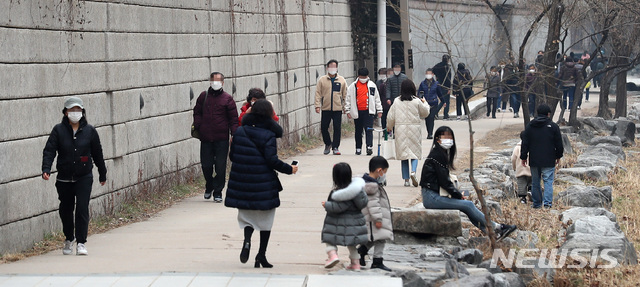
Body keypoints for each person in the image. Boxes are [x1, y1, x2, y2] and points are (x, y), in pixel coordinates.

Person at [225, 99, 298, 268]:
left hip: (242, 182)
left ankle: (247, 241)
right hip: (263, 183)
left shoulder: (240, 131)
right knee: (265, 221)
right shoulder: (268, 134)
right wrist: (290, 169)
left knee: (248, 218)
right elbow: (272, 160)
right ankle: (261, 256)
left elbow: (233, 157)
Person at [420, 126, 517, 239]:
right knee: (468, 205)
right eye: (444, 136)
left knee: (467, 208)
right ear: (437, 139)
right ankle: (497, 228)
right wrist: (458, 195)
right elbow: (444, 182)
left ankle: (493, 233)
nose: (448, 139)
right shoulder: (437, 155)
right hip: (431, 198)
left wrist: (457, 194)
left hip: (432, 195)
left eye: (450, 136)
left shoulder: (440, 154)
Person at [42, 96, 107, 256]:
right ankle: (69, 237)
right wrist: (46, 168)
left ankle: (81, 242)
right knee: (66, 209)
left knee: (82, 208)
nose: (75, 113)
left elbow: (97, 153)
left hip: (84, 176)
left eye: (78, 110)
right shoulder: (58, 130)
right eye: (72, 110)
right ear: (65, 113)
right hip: (64, 177)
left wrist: (102, 172)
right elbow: (49, 150)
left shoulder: (90, 131)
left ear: (83, 112)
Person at [193, 72, 239, 202]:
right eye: (213, 80)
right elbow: (197, 112)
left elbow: (233, 119)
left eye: (218, 81)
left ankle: (218, 191)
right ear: (210, 81)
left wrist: (234, 134)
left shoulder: (227, 99)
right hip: (206, 137)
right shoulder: (203, 96)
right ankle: (209, 185)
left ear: (223, 83)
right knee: (206, 165)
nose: (215, 83)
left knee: (220, 166)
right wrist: (198, 125)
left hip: (221, 138)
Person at [321, 163, 369, 270]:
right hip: (355, 224)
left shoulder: (338, 193)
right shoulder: (358, 192)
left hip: (337, 224)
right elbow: (363, 203)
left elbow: (339, 207)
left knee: (329, 239)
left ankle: (332, 255)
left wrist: (327, 205)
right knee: (352, 244)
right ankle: (355, 263)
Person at [520, 104, 564, 209]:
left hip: (534, 159)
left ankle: (537, 204)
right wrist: (558, 156)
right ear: (548, 114)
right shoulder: (553, 126)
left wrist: (523, 157)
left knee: (535, 182)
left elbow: (525, 143)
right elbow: (559, 143)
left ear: (537, 113)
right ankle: (547, 204)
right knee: (548, 181)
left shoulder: (530, 126)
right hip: (549, 158)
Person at [388, 80, 430, 187]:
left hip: (400, 130)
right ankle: (414, 172)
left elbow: (390, 117)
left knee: (404, 156)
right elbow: (425, 112)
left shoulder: (396, 101)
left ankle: (406, 180)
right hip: (414, 130)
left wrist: (389, 127)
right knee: (414, 153)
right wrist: (425, 102)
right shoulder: (416, 101)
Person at [357, 156, 393, 271]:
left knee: (373, 238)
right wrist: (378, 219)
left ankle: (361, 251)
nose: (384, 175)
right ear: (379, 170)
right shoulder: (372, 187)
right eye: (384, 172)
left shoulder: (367, 183)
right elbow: (374, 205)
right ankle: (377, 261)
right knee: (381, 238)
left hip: (369, 218)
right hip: (374, 219)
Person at [345, 67, 383, 155]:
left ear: (367, 76)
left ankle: (369, 146)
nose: (363, 79)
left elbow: (377, 98)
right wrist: (347, 110)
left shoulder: (372, 85)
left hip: (368, 111)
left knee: (369, 130)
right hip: (357, 111)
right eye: (362, 77)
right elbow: (348, 98)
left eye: (364, 77)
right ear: (358, 76)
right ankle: (358, 148)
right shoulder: (353, 86)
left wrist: (379, 110)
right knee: (358, 130)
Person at [315, 59, 348, 155]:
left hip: (337, 108)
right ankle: (328, 143)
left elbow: (345, 94)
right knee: (324, 127)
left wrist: (346, 107)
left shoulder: (341, 80)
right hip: (326, 108)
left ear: (337, 68)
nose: (332, 69)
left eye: (334, 67)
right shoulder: (322, 80)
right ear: (327, 68)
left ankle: (336, 147)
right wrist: (317, 105)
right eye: (331, 67)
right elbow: (318, 93)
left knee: (337, 128)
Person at [418, 68, 443, 139]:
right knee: (427, 119)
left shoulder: (436, 84)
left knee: (431, 118)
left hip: (433, 103)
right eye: (427, 74)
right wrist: (420, 99)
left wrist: (443, 101)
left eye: (430, 74)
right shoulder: (422, 84)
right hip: (425, 103)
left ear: (432, 74)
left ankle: (430, 133)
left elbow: (439, 93)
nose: (428, 75)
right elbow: (420, 93)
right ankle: (428, 131)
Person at [511, 131, 532, 204]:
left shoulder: (517, 147)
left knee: (521, 184)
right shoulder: (532, 146)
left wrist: (514, 167)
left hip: (520, 169)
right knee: (531, 182)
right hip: (531, 169)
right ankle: (531, 191)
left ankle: (522, 198)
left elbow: (513, 158)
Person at [432, 55, 453, 119]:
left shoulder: (437, 66)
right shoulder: (447, 67)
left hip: (438, 84)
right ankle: (444, 114)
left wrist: (437, 76)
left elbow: (432, 71)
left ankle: (437, 112)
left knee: (442, 99)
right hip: (445, 85)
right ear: (448, 60)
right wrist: (449, 88)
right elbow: (449, 78)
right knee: (446, 100)